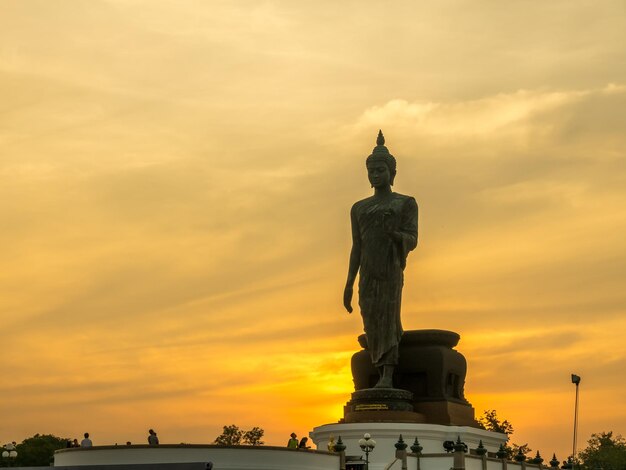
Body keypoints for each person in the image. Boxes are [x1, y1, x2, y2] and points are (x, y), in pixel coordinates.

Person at [343, 130, 418, 389]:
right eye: (371, 171)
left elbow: (412, 238)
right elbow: (357, 246)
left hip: (390, 270)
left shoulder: (404, 204)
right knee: (371, 319)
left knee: (388, 318)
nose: (375, 176)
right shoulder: (359, 208)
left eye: (380, 171)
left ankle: (387, 374)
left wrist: (394, 234)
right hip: (368, 273)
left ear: (392, 173)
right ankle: (377, 372)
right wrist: (349, 283)